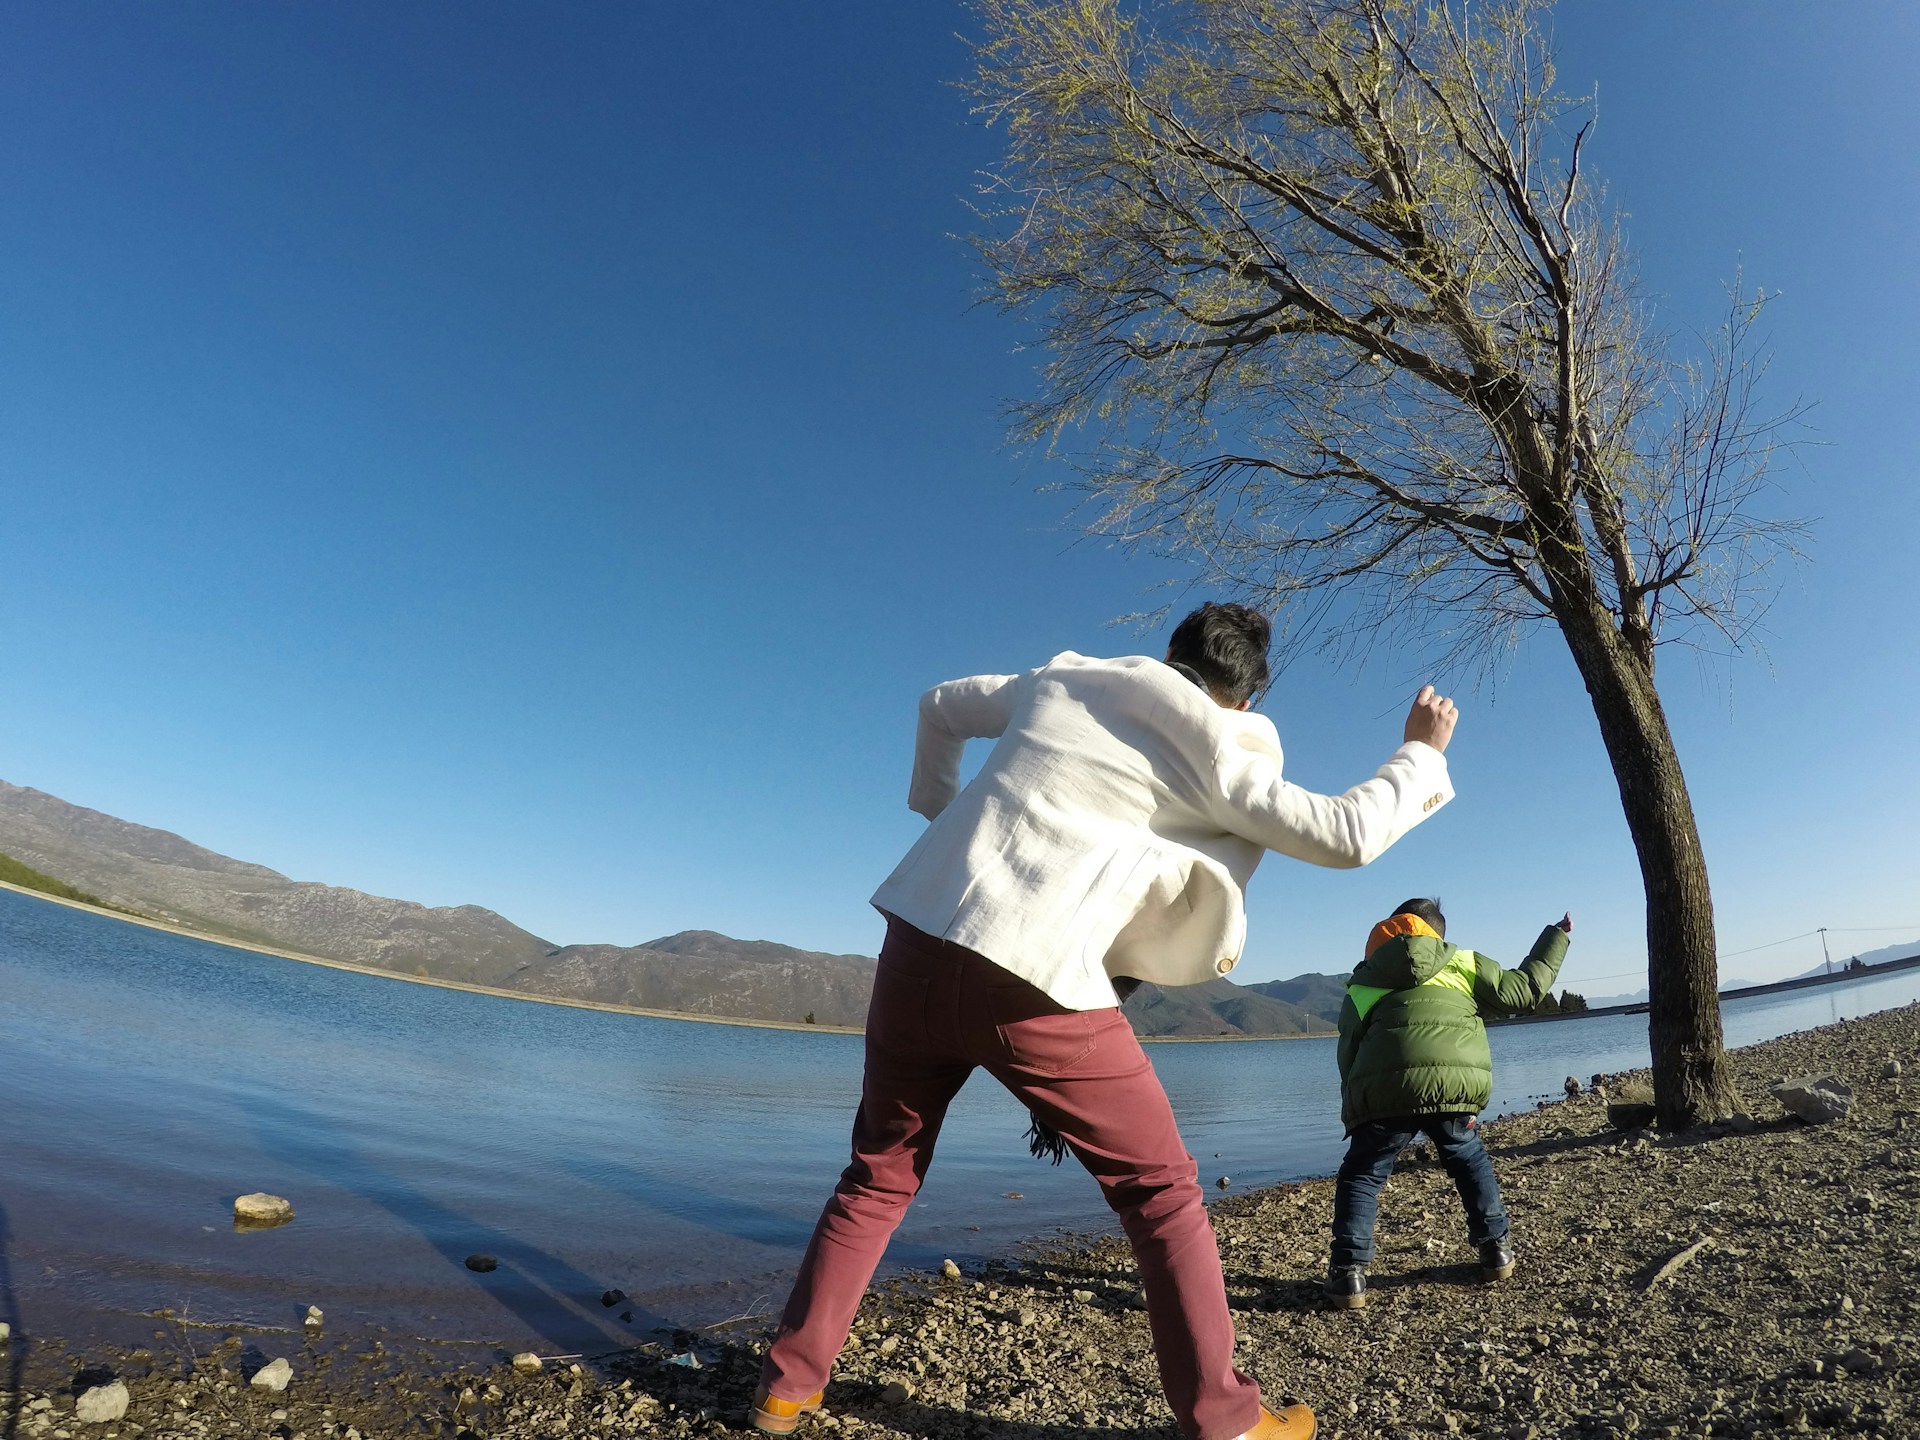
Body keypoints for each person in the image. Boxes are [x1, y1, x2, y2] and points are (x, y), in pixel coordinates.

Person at [750, 603, 1459, 1440]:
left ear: (1171, 653)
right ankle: (1225, 1419)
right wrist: (1420, 749)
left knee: (878, 1175)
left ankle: (786, 1390)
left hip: (920, 937)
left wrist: (946, 819)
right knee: (1161, 1195)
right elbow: (1345, 833)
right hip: (1038, 976)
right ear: (1246, 699)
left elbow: (938, 706)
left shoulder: (1063, 679)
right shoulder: (1225, 743)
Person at [1323, 900, 1571, 1311]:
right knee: (1468, 1159)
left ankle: (1349, 1275)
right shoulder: (1464, 963)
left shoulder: (1364, 980)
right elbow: (1525, 991)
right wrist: (1555, 938)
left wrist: (1359, 1105)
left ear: (1389, 929)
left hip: (1387, 1089)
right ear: (1436, 932)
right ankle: (1496, 1252)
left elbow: (1348, 1049)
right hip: (1454, 1085)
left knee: (1363, 1174)